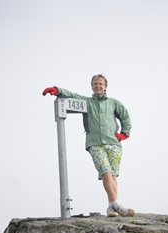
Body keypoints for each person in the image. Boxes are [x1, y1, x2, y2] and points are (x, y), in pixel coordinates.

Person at [42, 74, 135, 217]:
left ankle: (111, 207)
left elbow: (125, 117)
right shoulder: (87, 102)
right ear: (92, 86)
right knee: (105, 171)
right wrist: (57, 90)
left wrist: (124, 133)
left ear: (105, 87)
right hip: (94, 144)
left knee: (113, 175)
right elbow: (71, 94)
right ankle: (117, 205)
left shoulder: (113, 103)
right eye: (95, 84)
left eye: (101, 84)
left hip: (113, 143)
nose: (98, 86)